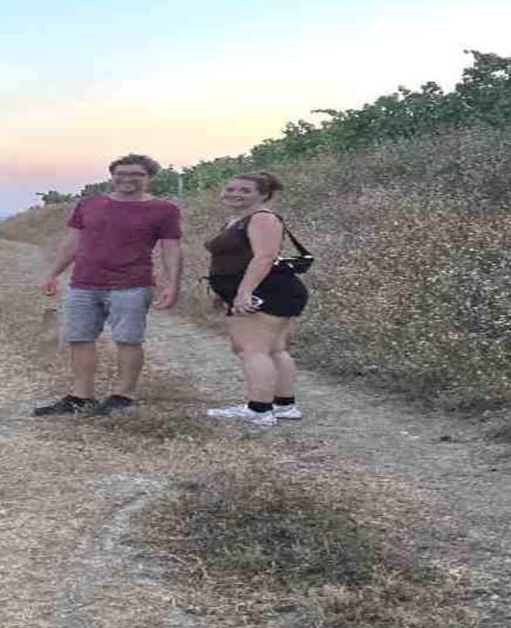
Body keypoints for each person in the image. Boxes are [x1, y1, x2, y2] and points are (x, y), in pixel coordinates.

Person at [36, 154, 182, 416]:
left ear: (149, 178)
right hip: (84, 282)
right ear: (112, 176)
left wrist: (173, 283)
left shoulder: (164, 210)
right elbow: (73, 242)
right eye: (121, 173)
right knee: (79, 338)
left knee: (128, 340)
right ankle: (81, 397)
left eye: (136, 174)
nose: (127, 179)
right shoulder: (89, 204)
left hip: (132, 284)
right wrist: (53, 273)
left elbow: (171, 247)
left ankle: (122, 397)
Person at [202, 171, 309, 427]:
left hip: (267, 291)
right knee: (274, 348)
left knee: (252, 349)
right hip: (261, 291)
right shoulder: (237, 220)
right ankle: (284, 405)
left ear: (263, 194)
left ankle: (259, 409)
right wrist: (223, 292)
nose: (235, 194)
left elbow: (264, 257)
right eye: (231, 189)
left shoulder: (262, 218)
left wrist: (244, 292)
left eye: (245, 190)